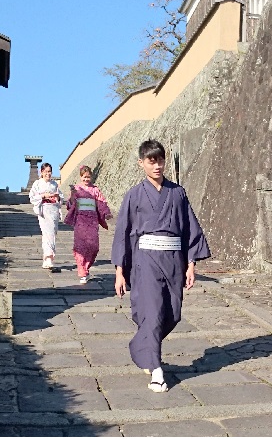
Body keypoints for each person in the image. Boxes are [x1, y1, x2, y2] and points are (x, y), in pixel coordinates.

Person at [112, 139, 211, 393]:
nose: (157, 166)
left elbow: (190, 228)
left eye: (160, 160)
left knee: (172, 313)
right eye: (151, 161)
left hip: (174, 261)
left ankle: (142, 347)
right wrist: (120, 271)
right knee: (153, 313)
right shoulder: (134, 195)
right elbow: (123, 232)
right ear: (141, 163)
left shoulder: (178, 193)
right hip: (146, 261)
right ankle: (157, 371)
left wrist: (191, 264)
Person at [65, 165, 112, 284]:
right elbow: (70, 205)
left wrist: (106, 213)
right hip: (80, 220)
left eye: (88, 177)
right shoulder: (77, 189)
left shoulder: (95, 190)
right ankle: (82, 271)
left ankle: (86, 266)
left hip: (92, 220)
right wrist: (72, 195)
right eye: (84, 177)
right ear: (81, 177)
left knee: (94, 246)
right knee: (80, 246)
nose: (86, 179)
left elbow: (102, 203)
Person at [29, 163, 63, 269]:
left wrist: (57, 197)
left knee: (52, 233)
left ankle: (46, 257)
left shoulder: (54, 184)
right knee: (47, 233)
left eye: (49, 171)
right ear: (41, 172)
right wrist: (43, 195)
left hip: (53, 210)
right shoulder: (37, 183)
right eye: (46, 171)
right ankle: (49, 257)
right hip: (44, 209)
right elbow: (32, 196)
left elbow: (61, 197)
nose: (48, 174)